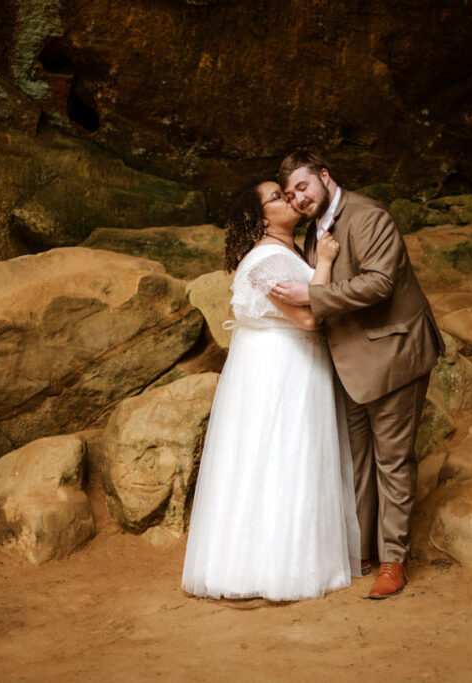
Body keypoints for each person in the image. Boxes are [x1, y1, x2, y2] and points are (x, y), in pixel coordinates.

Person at [272, 151, 443, 599]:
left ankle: (393, 561)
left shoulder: (368, 216)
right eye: (291, 195)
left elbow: (380, 282)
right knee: (358, 461)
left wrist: (311, 295)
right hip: (347, 363)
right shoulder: (313, 231)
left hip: (392, 354)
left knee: (392, 460)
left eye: (304, 187)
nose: (299, 199)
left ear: (325, 176)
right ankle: (361, 551)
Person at [181, 180, 361, 601]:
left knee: (297, 457)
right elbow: (308, 320)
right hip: (279, 368)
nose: (289, 199)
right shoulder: (265, 260)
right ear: (262, 217)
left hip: (299, 365)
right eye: (277, 197)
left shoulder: (291, 253)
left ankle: (301, 559)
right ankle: (259, 570)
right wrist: (329, 263)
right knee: (278, 456)